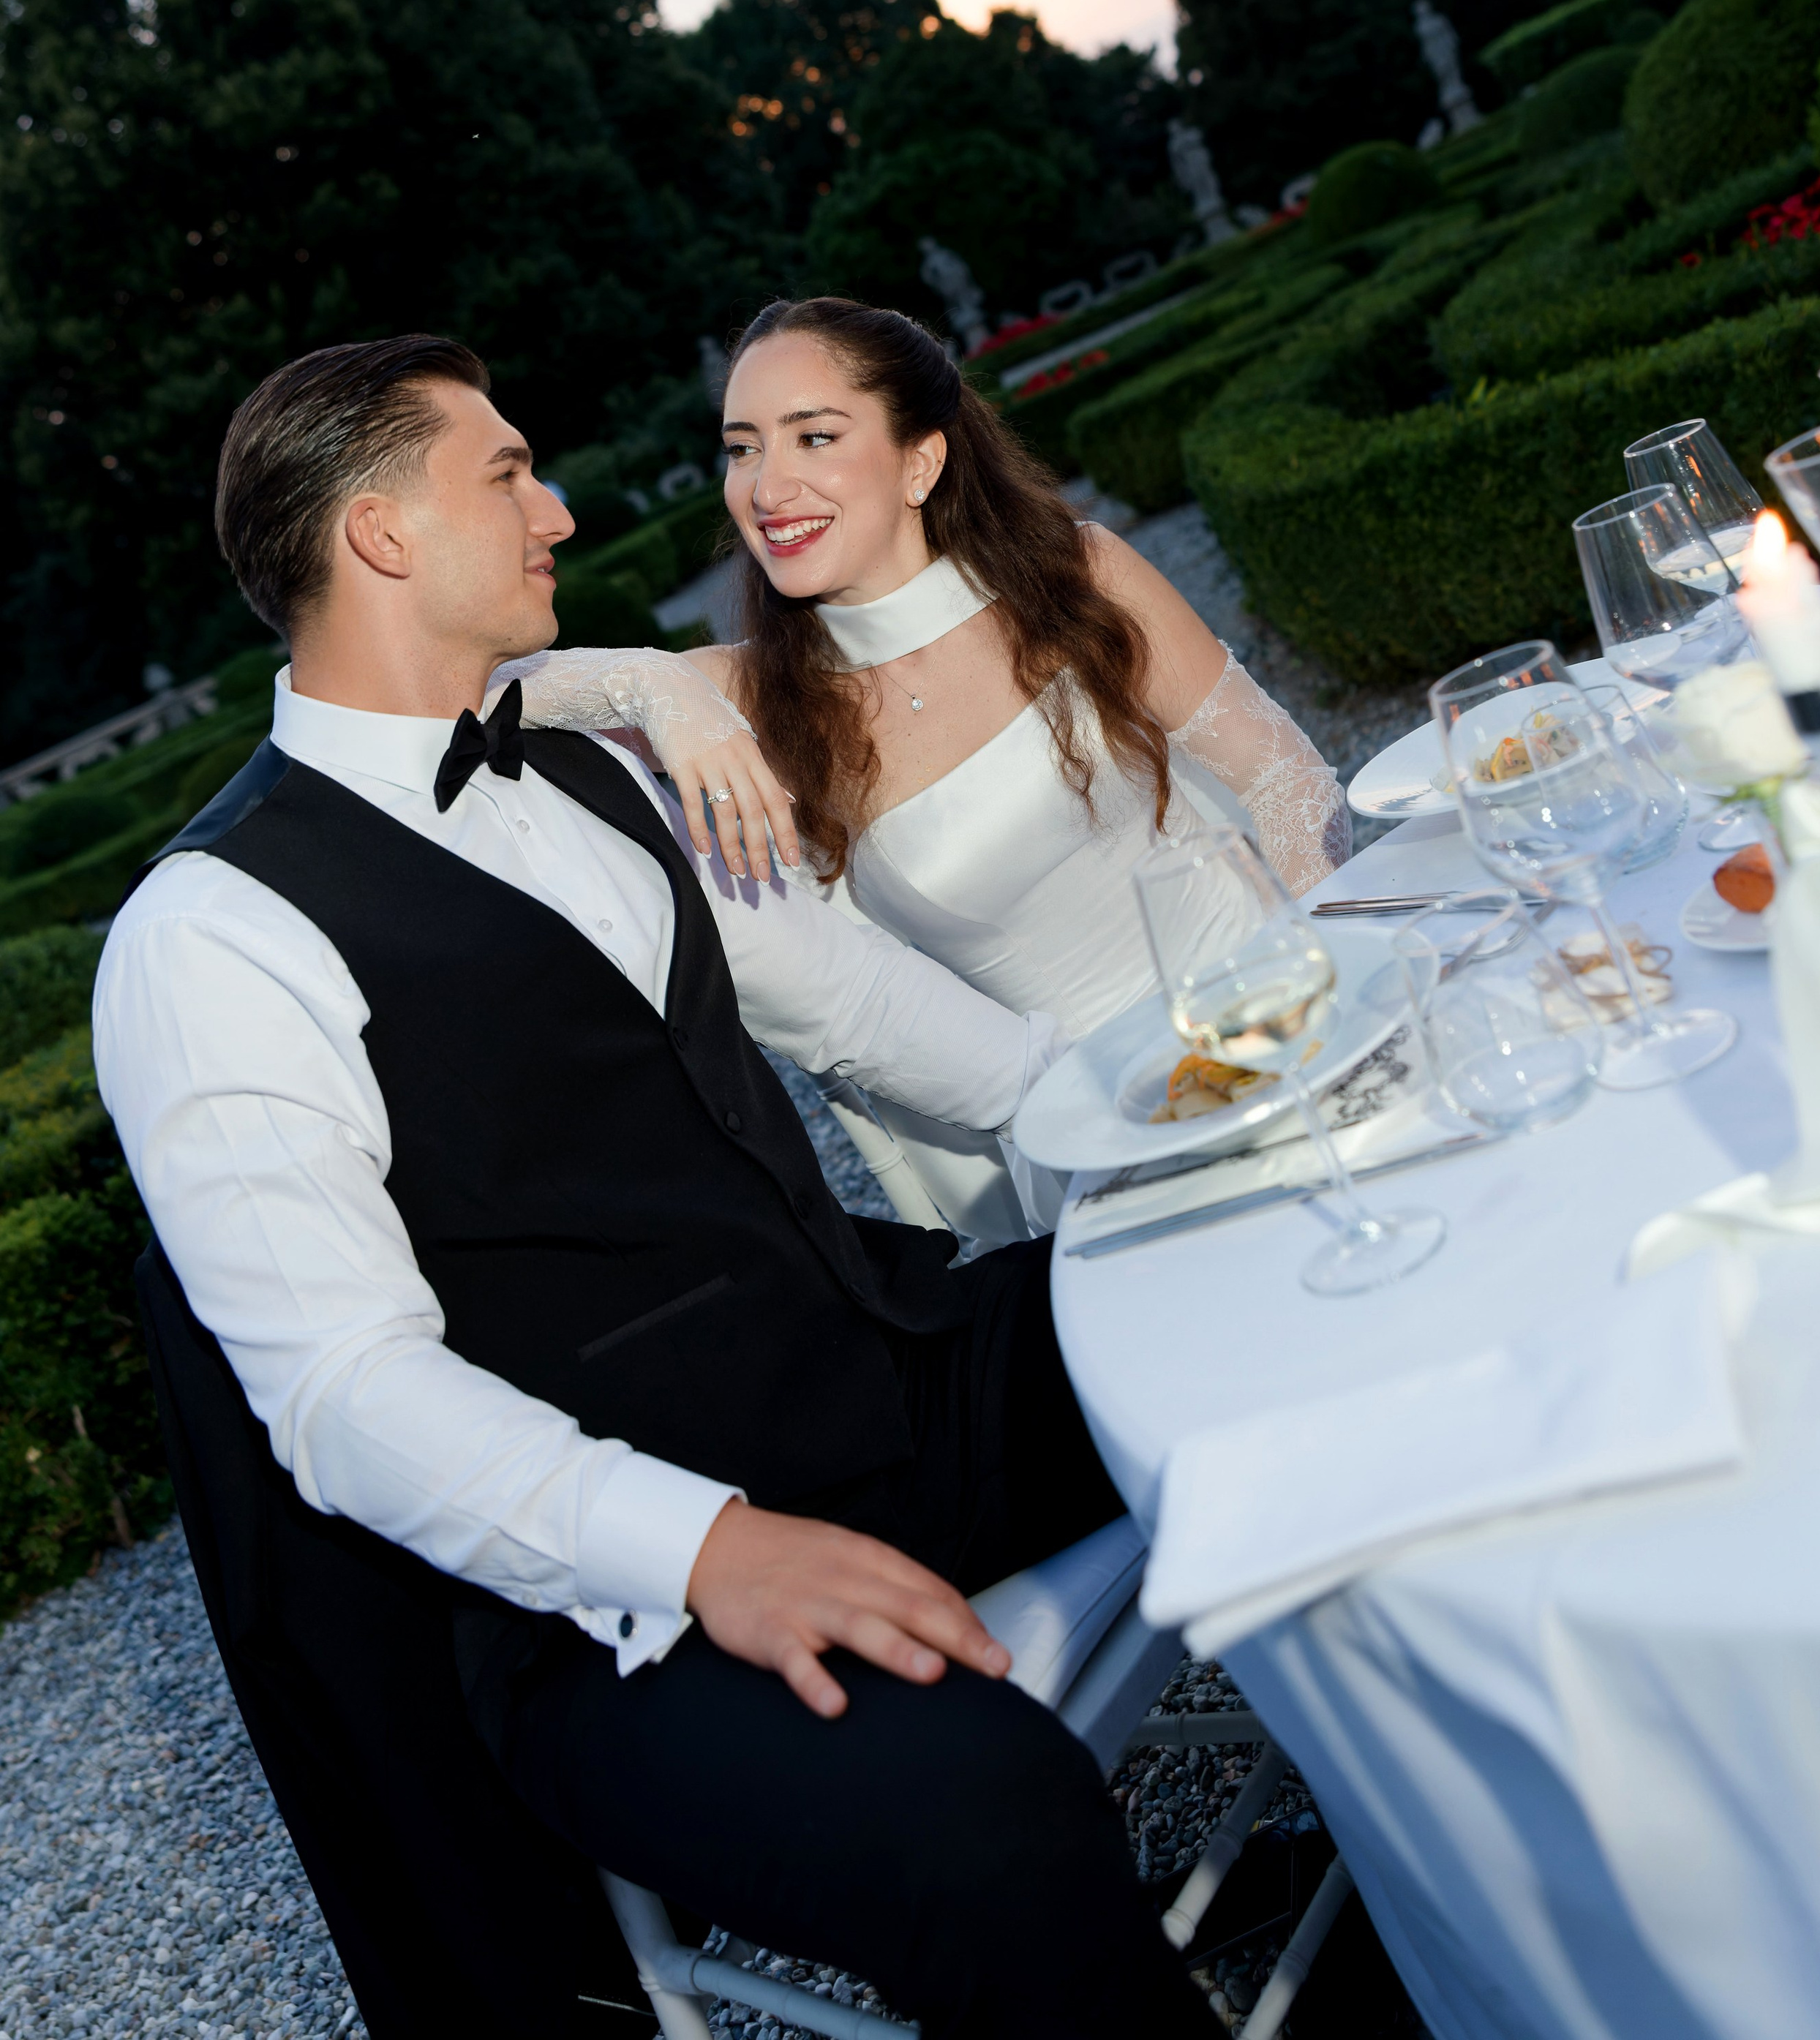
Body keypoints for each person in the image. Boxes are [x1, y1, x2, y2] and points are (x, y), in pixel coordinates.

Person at [94, 333, 1213, 2040]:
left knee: (1255, 1275)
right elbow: (339, 1391)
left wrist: (1181, 1114)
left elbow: (849, 1000)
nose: (556, 506)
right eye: (507, 472)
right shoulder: (209, 937)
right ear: (385, 533)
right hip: (603, 1608)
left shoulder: (591, 766)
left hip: (877, 1376)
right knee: (974, 1816)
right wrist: (702, 1548)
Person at [514, 295, 1352, 1042]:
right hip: (1092, 1123)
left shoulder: (1074, 578)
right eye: (742, 449)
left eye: (815, 437)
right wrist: (655, 685)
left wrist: (1317, 982)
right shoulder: (749, 691)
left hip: (1283, 1007)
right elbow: (474, 695)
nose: (767, 488)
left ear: (920, 462)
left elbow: (1286, 778)